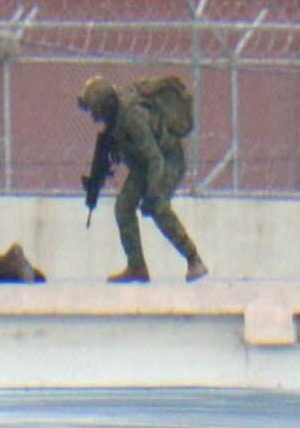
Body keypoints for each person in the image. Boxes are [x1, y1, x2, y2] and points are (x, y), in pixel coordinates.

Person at [74, 74, 208, 281]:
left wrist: (152, 193)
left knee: (158, 207)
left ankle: (194, 259)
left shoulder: (131, 117)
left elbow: (155, 158)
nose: (93, 116)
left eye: (94, 110)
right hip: (143, 166)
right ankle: (137, 267)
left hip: (167, 159)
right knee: (123, 207)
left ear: (104, 106)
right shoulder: (114, 120)